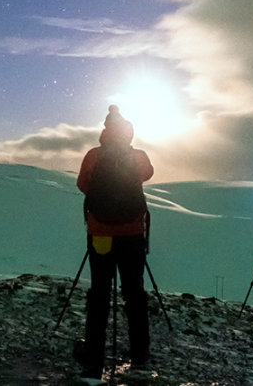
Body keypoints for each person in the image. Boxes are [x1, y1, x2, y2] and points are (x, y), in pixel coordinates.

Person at [75, 105, 154, 379]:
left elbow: (83, 185)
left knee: (99, 294)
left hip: (101, 236)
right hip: (132, 235)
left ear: (105, 131)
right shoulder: (138, 156)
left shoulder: (93, 156)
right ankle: (140, 355)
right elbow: (148, 174)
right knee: (134, 293)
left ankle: (93, 361)